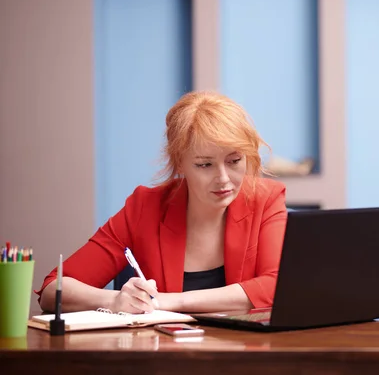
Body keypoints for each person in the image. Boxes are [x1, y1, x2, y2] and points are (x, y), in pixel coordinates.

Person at [38, 91, 287, 314]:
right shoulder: (144, 207)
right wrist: (115, 300)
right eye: (204, 165)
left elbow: (278, 286)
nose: (223, 179)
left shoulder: (267, 200)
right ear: (179, 162)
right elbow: (52, 290)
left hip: (245, 361)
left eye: (234, 161)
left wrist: (169, 302)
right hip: (165, 360)